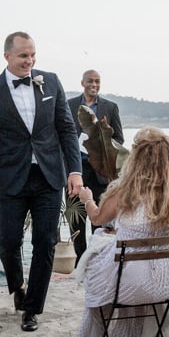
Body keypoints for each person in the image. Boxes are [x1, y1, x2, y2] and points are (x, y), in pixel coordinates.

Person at [0, 31, 83, 332]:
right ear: (7, 56)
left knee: (45, 242)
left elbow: (67, 130)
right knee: (7, 242)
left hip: (49, 177)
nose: (29, 60)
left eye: (32, 55)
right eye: (23, 55)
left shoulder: (51, 81)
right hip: (12, 177)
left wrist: (75, 171)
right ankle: (17, 286)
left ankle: (32, 309)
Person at [70, 128, 169, 337]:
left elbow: (97, 219)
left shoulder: (125, 192)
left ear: (137, 159)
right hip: (165, 282)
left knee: (96, 260)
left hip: (128, 283)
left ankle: (100, 335)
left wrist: (87, 199)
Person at [66, 69, 125, 258]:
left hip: (101, 173)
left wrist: (103, 140)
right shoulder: (69, 105)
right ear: (82, 83)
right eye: (90, 81)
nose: (94, 85)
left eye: (97, 81)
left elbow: (119, 140)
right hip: (76, 172)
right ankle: (79, 260)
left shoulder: (110, 107)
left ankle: (98, 258)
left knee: (99, 219)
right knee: (76, 220)